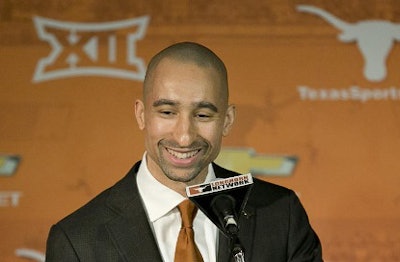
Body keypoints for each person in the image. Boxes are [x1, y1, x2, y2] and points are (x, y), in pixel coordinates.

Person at [45, 42, 323, 261]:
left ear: (226, 121)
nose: (184, 136)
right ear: (141, 115)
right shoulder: (77, 239)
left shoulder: (280, 213)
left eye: (203, 115)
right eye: (167, 112)